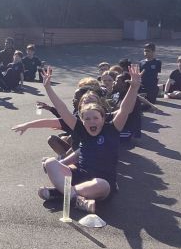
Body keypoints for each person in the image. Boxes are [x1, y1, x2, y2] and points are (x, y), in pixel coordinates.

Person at [38, 64, 141, 213]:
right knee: (50, 163)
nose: (92, 121)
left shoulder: (112, 129)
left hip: (100, 183)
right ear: (82, 120)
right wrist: (48, 87)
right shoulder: (81, 128)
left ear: (103, 118)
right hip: (79, 177)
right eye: (87, 119)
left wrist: (134, 87)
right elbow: (62, 109)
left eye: (95, 118)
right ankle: (75, 198)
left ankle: (61, 193)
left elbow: (125, 110)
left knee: (102, 185)